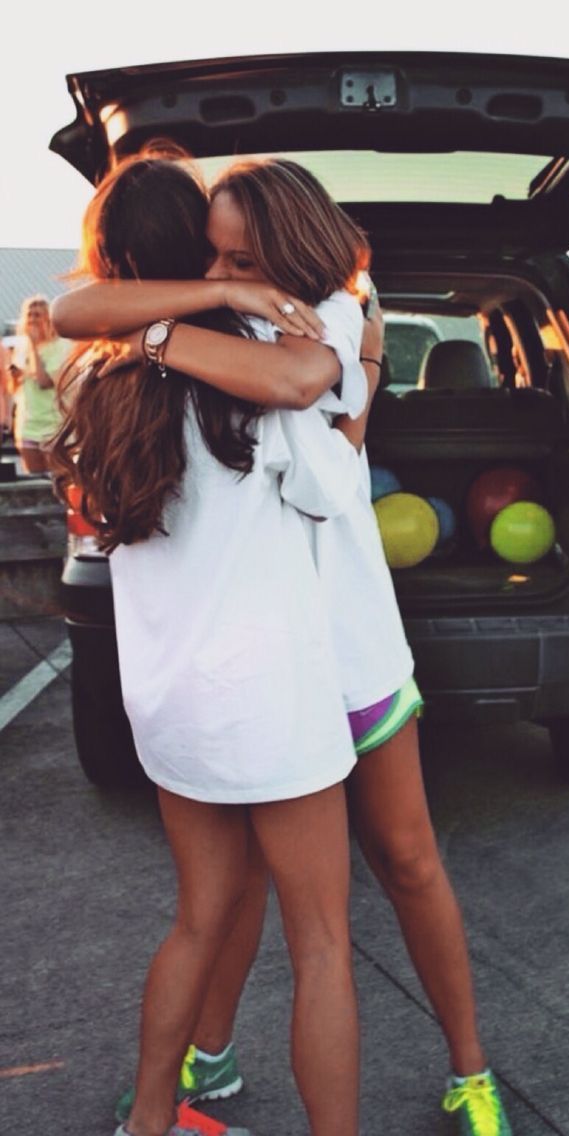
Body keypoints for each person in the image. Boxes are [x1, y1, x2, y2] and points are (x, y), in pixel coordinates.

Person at [53, 154, 513, 1136]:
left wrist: (348, 360)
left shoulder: (320, 316)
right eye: (212, 256)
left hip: (334, 646)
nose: (228, 272)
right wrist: (206, 319)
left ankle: (468, 1069)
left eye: (244, 258)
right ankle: (207, 1062)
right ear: (186, 257)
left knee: (400, 860)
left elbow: (299, 385)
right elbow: (324, 467)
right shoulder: (203, 356)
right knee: (277, 916)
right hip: (274, 676)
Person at [51, 152, 369, 1136]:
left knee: (197, 920)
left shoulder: (97, 384)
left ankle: (149, 1119)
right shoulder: (249, 377)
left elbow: (73, 311)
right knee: (321, 943)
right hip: (271, 701)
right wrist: (357, 374)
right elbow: (332, 485)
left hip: (170, 704)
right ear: (196, 251)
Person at [11, 295, 70, 473]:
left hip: (54, 426)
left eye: (37, 315)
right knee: (33, 482)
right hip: (28, 426)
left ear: (48, 318)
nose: (32, 319)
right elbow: (15, 388)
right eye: (29, 315)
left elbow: (44, 382)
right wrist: (15, 375)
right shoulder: (21, 348)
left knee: (59, 481)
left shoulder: (60, 346)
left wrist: (33, 346)